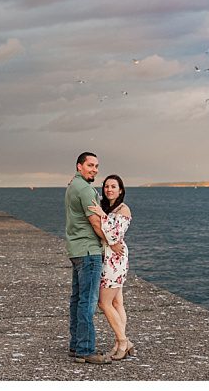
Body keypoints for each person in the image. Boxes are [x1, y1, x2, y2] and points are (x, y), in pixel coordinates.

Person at [64, 152, 123, 364]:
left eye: (97, 166)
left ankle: (76, 344)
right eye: (90, 165)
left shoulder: (73, 186)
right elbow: (96, 223)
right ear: (79, 166)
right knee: (87, 301)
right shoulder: (85, 189)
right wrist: (113, 243)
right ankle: (85, 349)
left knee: (77, 299)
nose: (95, 170)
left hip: (76, 250)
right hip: (89, 251)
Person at [88, 175, 134, 360]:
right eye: (106, 186)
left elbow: (115, 233)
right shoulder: (105, 205)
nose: (109, 189)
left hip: (115, 258)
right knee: (117, 303)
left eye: (113, 186)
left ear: (121, 190)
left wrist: (102, 215)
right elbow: (88, 195)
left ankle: (123, 340)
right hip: (109, 256)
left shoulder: (124, 209)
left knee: (104, 303)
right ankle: (121, 342)